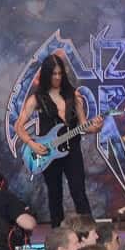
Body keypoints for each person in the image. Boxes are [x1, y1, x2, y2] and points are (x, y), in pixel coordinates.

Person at [14, 52, 103, 226]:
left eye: (60, 73)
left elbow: (84, 125)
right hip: (49, 152)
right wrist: (32, 144)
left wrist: (97, 127)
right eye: (53, 74)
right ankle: (57, 233)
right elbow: (18, 126)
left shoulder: (73, 95)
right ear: (47, 75)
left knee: (78, 192)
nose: (57, 77)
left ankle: (90, 230)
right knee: (55, 195)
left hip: (72, 150)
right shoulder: (37, 98)